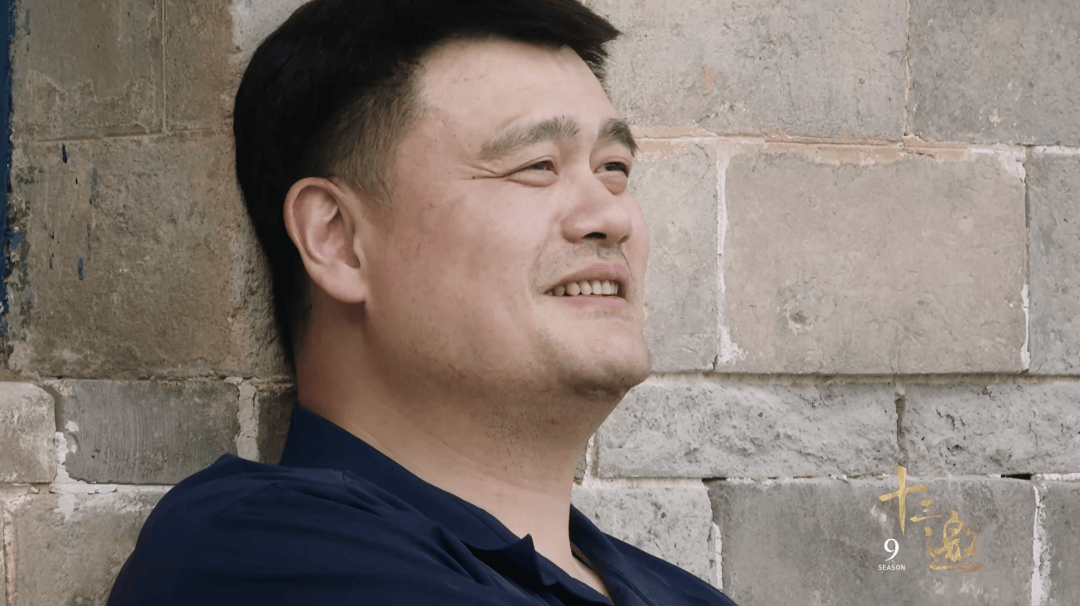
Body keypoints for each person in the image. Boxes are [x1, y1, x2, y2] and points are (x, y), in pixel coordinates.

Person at [108, 1, 738, 604]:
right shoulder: (256, 556)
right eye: (538, 165)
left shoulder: (685, 595)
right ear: (338, 240)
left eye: (614, 168)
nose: (612, 215)